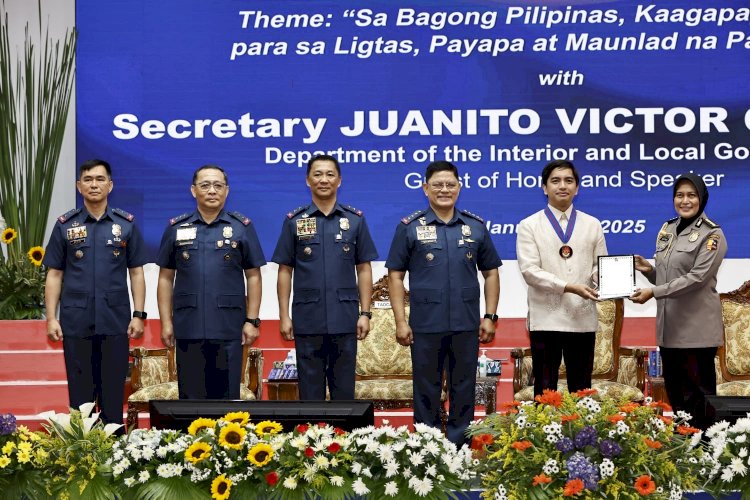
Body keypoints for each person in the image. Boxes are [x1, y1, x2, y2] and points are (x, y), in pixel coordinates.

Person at [385, 160, 501, 446]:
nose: (444, 190)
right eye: (437, 184)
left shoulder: (474, 227)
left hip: (465, 324)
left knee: (464, 387)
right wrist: (401, 321)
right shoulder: (409, 228)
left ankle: (459, 447)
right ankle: (428, 448)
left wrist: (490, 316)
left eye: (450, 184)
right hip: (425, 325)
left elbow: (491, 273)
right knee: (426, 388)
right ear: (425, 188)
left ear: (459, 188)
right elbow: (395, 276)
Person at [43, 159, 147, 427]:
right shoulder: (65, 225)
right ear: (79, 186)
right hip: (75, 321)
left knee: (113, 393)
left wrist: (138, 314)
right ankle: (85, 457)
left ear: (110, 185)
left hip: (115, 320)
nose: (94, 184)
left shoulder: (126, 225)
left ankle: (114, 455)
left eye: (100, 179)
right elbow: (54, 274)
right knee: (80, 396)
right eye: (88, 179)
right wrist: (51, 318)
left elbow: (136, 272)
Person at [271, 154, 378, 400]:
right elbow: (285, 270)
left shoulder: (354, 221)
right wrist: (284, 316)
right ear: (308, 180)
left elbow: (363, 268)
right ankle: (310, 438)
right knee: (310, 392)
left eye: (330, 174)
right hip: (307, 318)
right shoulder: (295, 221)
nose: (324, 179)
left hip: (345, 317)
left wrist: (365, 313)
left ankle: (344, 438)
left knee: (344, 391)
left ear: (339, 180)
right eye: (317, 174)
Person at [156, 165, 265, 399]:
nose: (212, 190)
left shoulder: (241, 227)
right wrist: (166, 322)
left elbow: (253, 276)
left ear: (227, 191)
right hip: (188, 326)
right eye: (205, 185)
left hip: (228, 326)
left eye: (218, 185)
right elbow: (166, 278)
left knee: (227, 399)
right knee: (190, 399)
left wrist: (252, 320)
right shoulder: (177, 227)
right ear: (194, 190)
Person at [630, 173, 727, 429]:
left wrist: (654, 292)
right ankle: (685, 455)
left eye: (691, 195)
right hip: (669, 331)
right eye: (680, 195)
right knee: (677, 400)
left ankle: (705, 455)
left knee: (700, 402)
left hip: (697, 333)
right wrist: (648, 270)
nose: (685, 201)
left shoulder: (712, 235)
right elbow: (666, 276)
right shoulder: (667, 229)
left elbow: (696, 278)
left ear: (702, 198)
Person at [516, 159, 607, 397]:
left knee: (582, 389)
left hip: (582, 317)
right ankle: (543, 435)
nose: (562, 186)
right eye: (555, 181)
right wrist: (568, 286)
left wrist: (605, 280)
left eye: (569, 180)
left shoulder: (592, 224)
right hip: (546, 319)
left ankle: (584, 435)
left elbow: (599, 266)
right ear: (544, 187)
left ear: (577, 187)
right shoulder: (529, 225)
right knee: (545, 390)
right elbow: (530, 271)